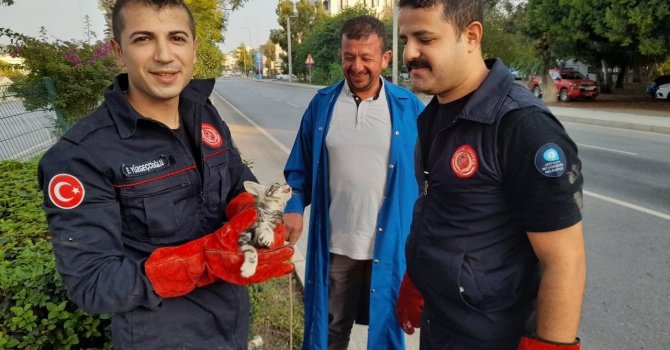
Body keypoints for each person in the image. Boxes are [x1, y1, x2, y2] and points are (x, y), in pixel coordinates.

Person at [37, 0, 294, 348]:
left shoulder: (203, 111)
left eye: (176, 38)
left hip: (230, 324)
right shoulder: (80, 156)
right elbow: (92, 283)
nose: (164, 55)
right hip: (161, 338)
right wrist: (205, 260)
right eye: (143, 39)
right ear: (118, 51)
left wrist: (254, 217)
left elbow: (235, 179)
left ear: (193, 46)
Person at [394, 1, 586, 349]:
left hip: (494, 338)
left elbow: (564, 260)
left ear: (470, 36)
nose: (409, 53)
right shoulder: (435, 115)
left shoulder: (522, 126)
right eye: (405, 37)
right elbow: (445, 211)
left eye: (424, 38)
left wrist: (550, 347)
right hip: (442, 328)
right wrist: (416, 278)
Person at [283, 15, 425, 350]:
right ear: (341, 55)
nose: (357, 66)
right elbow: (299, 170)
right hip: (337, 247)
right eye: (350, 57)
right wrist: (293, 207)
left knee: (387, 334)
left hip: (391, 247)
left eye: (366, 58)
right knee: (330, 331)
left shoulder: (409, 109)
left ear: (385, 59)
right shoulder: (322, 106)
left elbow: (431, 182)